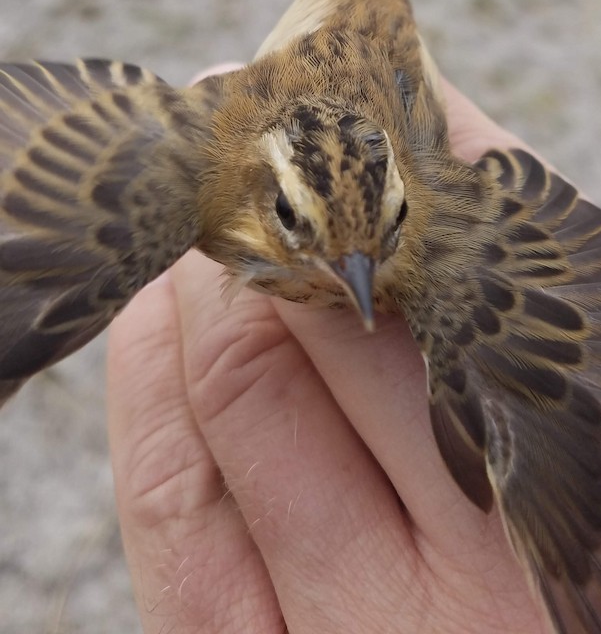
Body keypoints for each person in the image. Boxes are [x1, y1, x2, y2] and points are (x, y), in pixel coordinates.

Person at [107, 68, 549, 633]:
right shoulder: (208, 175)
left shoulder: (439, 238)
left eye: (389, 225)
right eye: (294, 219)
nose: (353, 274)